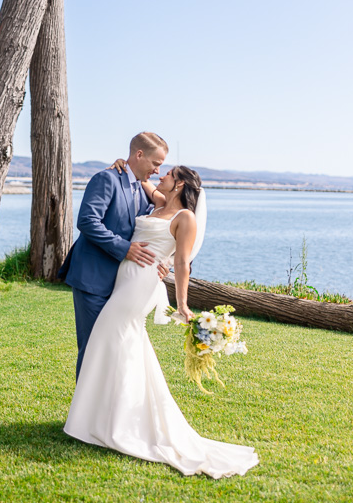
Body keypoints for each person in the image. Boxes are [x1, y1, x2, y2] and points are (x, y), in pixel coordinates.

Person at [64, 165, 259, 478]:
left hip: (141, 282)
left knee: (110, 336)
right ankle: (108, 416)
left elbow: (182, 262)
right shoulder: (157, 202)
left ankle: (114, 421)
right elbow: (138, 175)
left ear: (179, 184)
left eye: (166, 174)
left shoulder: (185, 218)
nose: (160, 177)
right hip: (123, 278)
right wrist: (121, 162)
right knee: (122, 345)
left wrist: (182, 303)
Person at [58, 132, 170, 379]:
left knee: (116, 348)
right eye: (156, 163)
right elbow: (87, 221)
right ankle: (85, 417)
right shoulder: (106, 179)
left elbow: (160, 227)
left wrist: (165, 263)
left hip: (124, 285)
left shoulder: (143, 190)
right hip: (93, 278)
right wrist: (125, 248)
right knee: (93, 349)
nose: (157, 171)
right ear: (139, 154)